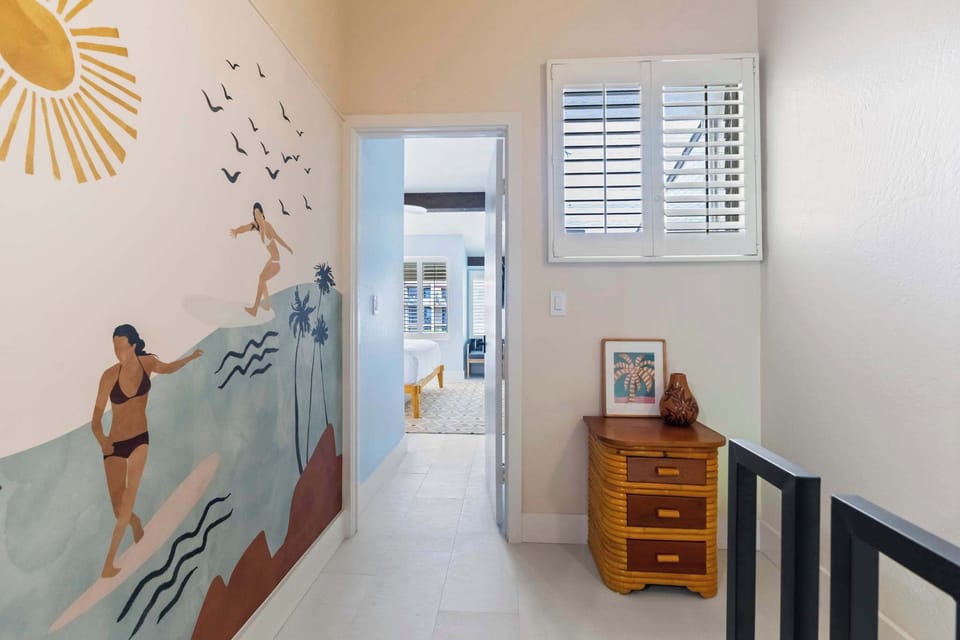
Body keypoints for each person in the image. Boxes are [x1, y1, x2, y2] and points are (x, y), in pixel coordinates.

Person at [91, 324, 203, 578]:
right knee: (118, 510)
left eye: (121, 346)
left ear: (132, 344)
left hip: (140, 440)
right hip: (114, 445)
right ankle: (134, 521)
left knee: (129, 498)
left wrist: (191, 357)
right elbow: (96, 420)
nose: (118, 351)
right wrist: (102, 441)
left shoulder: (147, 364)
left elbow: (168, 368)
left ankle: (109, 564)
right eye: (115, 347)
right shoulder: (109, 376)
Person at [230, 202, 294, 316]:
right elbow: (244, 227)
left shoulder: (267, 226)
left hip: (276, 262)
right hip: (272, 259)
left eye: (259, 214)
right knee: (261, 278)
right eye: (255, 214)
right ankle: (267, 304)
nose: (257, 217)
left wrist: (288, 247)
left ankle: (254, 309)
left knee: (261, 280)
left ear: (263, 214)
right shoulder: (256, 225)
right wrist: (236, 231)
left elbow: (277, 237)